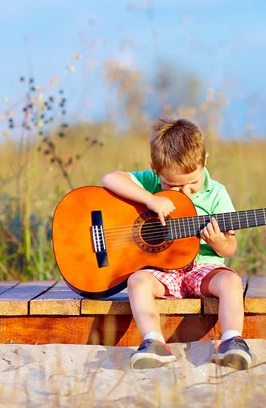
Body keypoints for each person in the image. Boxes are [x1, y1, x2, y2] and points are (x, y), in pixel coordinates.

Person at [101, 118, 252, 370]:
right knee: (137, 281)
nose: (185, 192)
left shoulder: (216, 193)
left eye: (193, 183)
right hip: (162, 272)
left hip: (201, 269)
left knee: (231, 281)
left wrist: (218, 243)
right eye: (172, 185)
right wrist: (151, 199)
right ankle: (154, 341)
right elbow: (110, 179)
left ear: (205, 162)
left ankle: (232, 340)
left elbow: (230, 247)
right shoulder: (150, 182)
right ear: (155, 169)